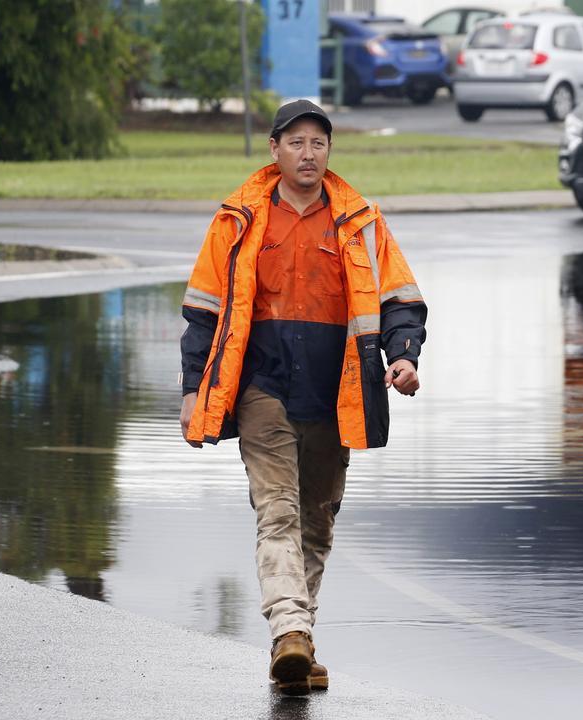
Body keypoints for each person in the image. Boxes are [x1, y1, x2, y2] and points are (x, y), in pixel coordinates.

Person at [178, 99, 427, 696]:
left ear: (328, 152)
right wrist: (193, 389)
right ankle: (288, 628)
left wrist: (404, 355)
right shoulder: (237, 219)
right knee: (277, 511)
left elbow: (399, 299)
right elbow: (203, 312)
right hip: (262, 388)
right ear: (274, 150)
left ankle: (297, 644)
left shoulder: (361, 222)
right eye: (296, 143)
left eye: (318, 143)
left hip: (336, 391)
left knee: (316, 520)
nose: (308, 154)